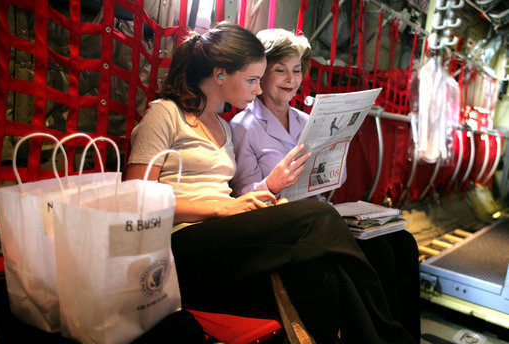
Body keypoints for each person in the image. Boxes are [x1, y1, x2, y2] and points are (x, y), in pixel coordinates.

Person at [125, 22, 415, 344]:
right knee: (319, 217)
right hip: (182, 238)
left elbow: (235, 197)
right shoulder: (165, 115)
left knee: (326, 271)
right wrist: (222, 209)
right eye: (251, 80)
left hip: (227, 227)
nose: (257, 89)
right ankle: (390, 335)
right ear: (220, 75)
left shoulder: (221, 127)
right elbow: (135, 202)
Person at [230, 28, 421, 342]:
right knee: (381, 257)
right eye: (280, 70)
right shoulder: (244, 126)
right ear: (262, 74)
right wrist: (272, 183)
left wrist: (337, 155)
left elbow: (333, 183)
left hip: (321, 216)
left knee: (403, 244)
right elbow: (241, 194)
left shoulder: (306, 121)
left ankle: (407, 337)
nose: (291, 79)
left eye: (297, 70)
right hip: (286, 224)